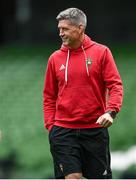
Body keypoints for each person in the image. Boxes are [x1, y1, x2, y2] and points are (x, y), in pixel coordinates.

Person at [43, 7, 123, 179]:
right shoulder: (54, 58)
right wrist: (51, 127)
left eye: (65, 29)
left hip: (95, 130)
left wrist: (111, 112)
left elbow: (115, 85)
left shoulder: (102, 52)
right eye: (59, 29)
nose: (60, 33)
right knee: (73, 177)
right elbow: (49, 96)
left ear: (80, 28)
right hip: (63, 132)